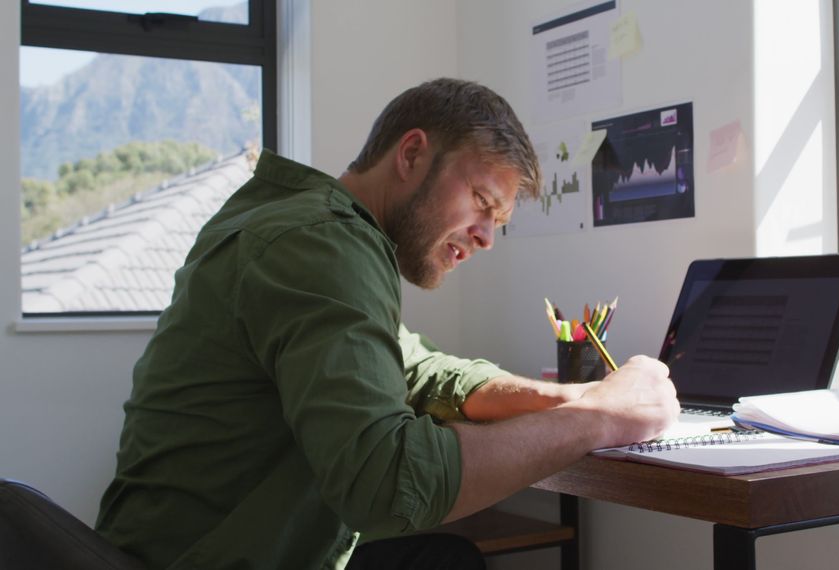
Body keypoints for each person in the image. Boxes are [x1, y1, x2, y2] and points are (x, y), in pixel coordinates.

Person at [95, 78, 678, 569]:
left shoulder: (301, 225)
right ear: (412, 155)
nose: (485, 237)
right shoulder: (320, 243)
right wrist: (601, 420)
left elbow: (417, 369)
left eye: (498, 219)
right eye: (480, 199)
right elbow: (386, 481)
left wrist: (568, 397)